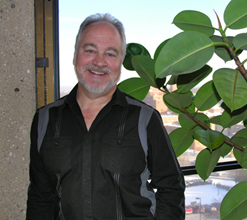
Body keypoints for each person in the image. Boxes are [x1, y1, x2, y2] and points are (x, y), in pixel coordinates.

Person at [26, 13, 185, 220]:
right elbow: (41, 196)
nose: (99, 62)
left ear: (120, 62)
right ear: (75, 55)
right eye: (90, 50)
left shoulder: (145, 119)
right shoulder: (45, 120)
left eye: (110, 54)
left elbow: (171, 187)